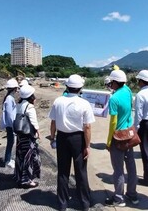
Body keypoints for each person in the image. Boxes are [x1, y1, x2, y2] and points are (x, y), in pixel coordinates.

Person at [49, 74, 95, 211]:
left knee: (63, 171)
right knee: (81, 171)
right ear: (80, 88)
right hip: (78, 139)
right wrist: (87, 145)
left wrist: (52, 138)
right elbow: (87, 127)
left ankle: (62, 203)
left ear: (67, 86)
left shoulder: (58, 101)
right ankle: (84, 203)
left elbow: (53, 122)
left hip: (62, 138)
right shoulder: (84, 103)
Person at [104, 69, 139, 207]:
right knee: (131, 166)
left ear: (114, 82)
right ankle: (132, 195)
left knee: (118, 169)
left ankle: (119, 198)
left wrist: (108, 141)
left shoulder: (114, 98)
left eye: (111, 82)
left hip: (118, 137)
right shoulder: (128, 91)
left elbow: (113, 122)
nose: (110, 85)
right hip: (129, 134)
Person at [14, 85, 41, 188]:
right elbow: (33, 121)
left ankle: (20, 177)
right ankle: (28, 180)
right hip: (28, 135)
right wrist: (38, 132)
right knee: (29, 157)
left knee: (21, 156)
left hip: (20, 136)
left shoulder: (19, 105)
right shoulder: (29, 107)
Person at [0, 78, 19, 169]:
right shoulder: (9, 99)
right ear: (14, 89)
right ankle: (7, 161)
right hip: (10, 125)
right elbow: (9, 114)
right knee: (10, 142)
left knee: (11, 142)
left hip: (10, 124)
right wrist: (13, 126)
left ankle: (9, 159)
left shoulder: (9, 98)